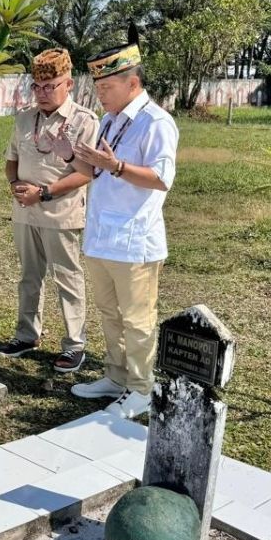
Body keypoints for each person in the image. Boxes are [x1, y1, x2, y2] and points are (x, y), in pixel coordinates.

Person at [69, 33, 179, 419]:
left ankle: (141, 388)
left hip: (134, 240)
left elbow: (162, 178)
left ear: (133, 83)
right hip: (101, 236)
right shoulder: (108, 119)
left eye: (107, 86)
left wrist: (116, 166)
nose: (100, 94)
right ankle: (115, 377)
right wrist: (77, 155)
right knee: (109, 313)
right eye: (97, 87)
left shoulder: (156, 122)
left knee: (137, 319)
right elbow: (95, 169)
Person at [0, 48, 99, 373]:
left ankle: (74, 346)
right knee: (29, 277)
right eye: (37, 86)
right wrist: (15, 183)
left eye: (50, 86)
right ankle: (26, 335)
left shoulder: (83, 121)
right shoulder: (25, 117)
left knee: (67, 279)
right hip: (25, 211)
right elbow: (12, 157)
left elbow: (85, 173)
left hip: (61, 214)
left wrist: (42, 193)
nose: (42, 93)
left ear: (68, 84)